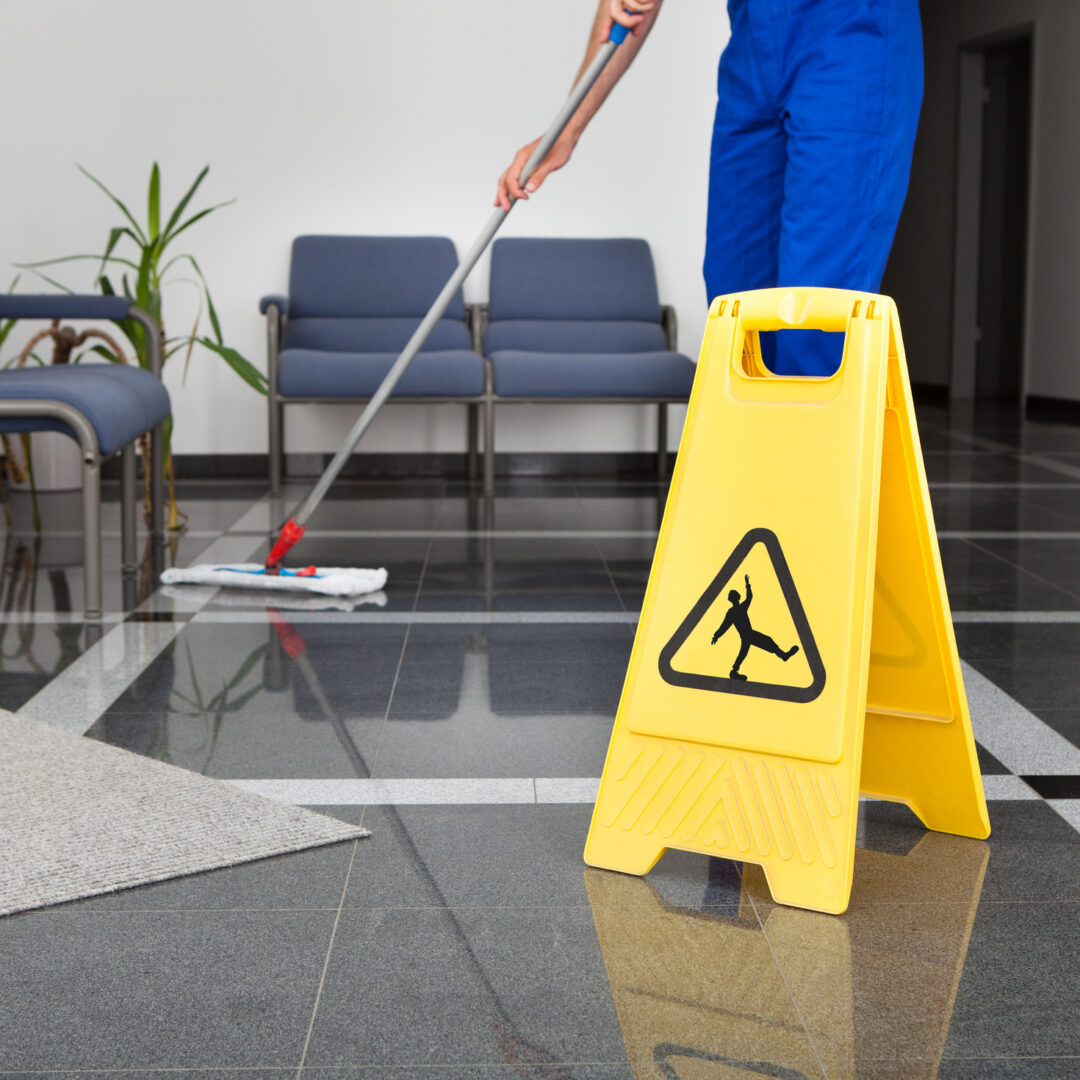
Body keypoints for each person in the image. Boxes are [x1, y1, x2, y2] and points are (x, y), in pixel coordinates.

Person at [495, 0, 923, 376]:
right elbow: (626, 10)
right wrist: (567, 130)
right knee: (735, 305)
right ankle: (751, 464)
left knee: (816, 316)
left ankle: (812, 465)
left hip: (851, 34)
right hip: (755, 45)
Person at [711, 574, 798, 681]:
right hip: (748, 635)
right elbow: (724, 626)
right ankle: (783, 656)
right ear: (735, 598)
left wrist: (747, 585)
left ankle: (734, 671)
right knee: (755, 646)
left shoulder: (737, 609)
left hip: (748, 634)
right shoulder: (734, 611)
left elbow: (749, 598)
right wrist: (716, 636)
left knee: (748, 650)